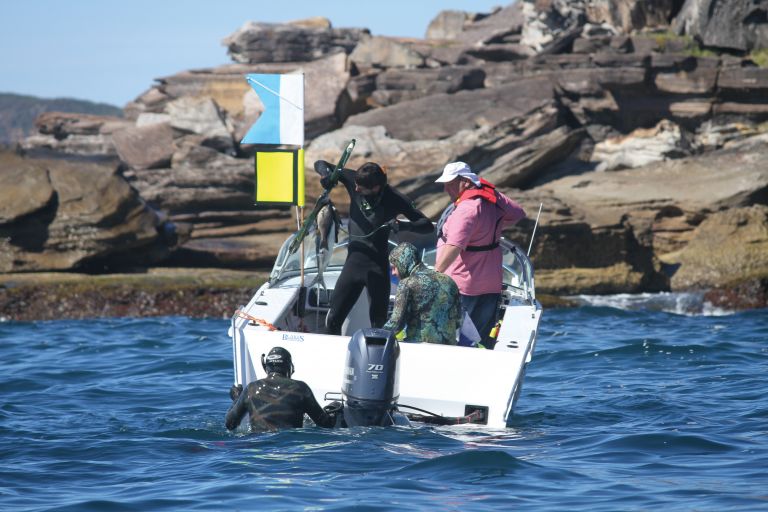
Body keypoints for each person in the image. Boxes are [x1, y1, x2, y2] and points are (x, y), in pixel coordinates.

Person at [321, 162, 433, 335]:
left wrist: (402, 226)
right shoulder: (354, 180)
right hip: (352, 265)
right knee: (333, 319)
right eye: (356, 185)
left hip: (377, 268)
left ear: (376, 187)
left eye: (361, 187)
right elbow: (320, 164)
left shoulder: (395, 198)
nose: (356, 189)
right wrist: (325, 176)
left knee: (378, 325)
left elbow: (426, 225)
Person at [434, 161, 526, 349]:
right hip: (490, 283)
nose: (446, 188)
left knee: (456, 339)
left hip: (463, 285)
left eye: (450, 183)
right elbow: (518, 213)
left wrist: (435, 275)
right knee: (481, 339)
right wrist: (494, 196)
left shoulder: (466, 210)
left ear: (465, 182)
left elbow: (453, 246)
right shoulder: (491, 202)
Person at [225, 346, 336, 432]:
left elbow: (230, 424)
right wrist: (334, 409)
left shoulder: (251, 389)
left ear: (266, 367)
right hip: (290, 447)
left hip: (258, 446)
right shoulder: (301, 389)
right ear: (289, 368)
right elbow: (325, 424)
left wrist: (237, 399)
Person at [383, 242, 461, 345]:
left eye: (394, 267)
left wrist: (376, 335)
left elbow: (396, 324)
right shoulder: (449, 281)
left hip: (420, 348)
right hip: (448, 348)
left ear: (403, 263)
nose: (393, 272)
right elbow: (458, 320)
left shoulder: (407, 283)